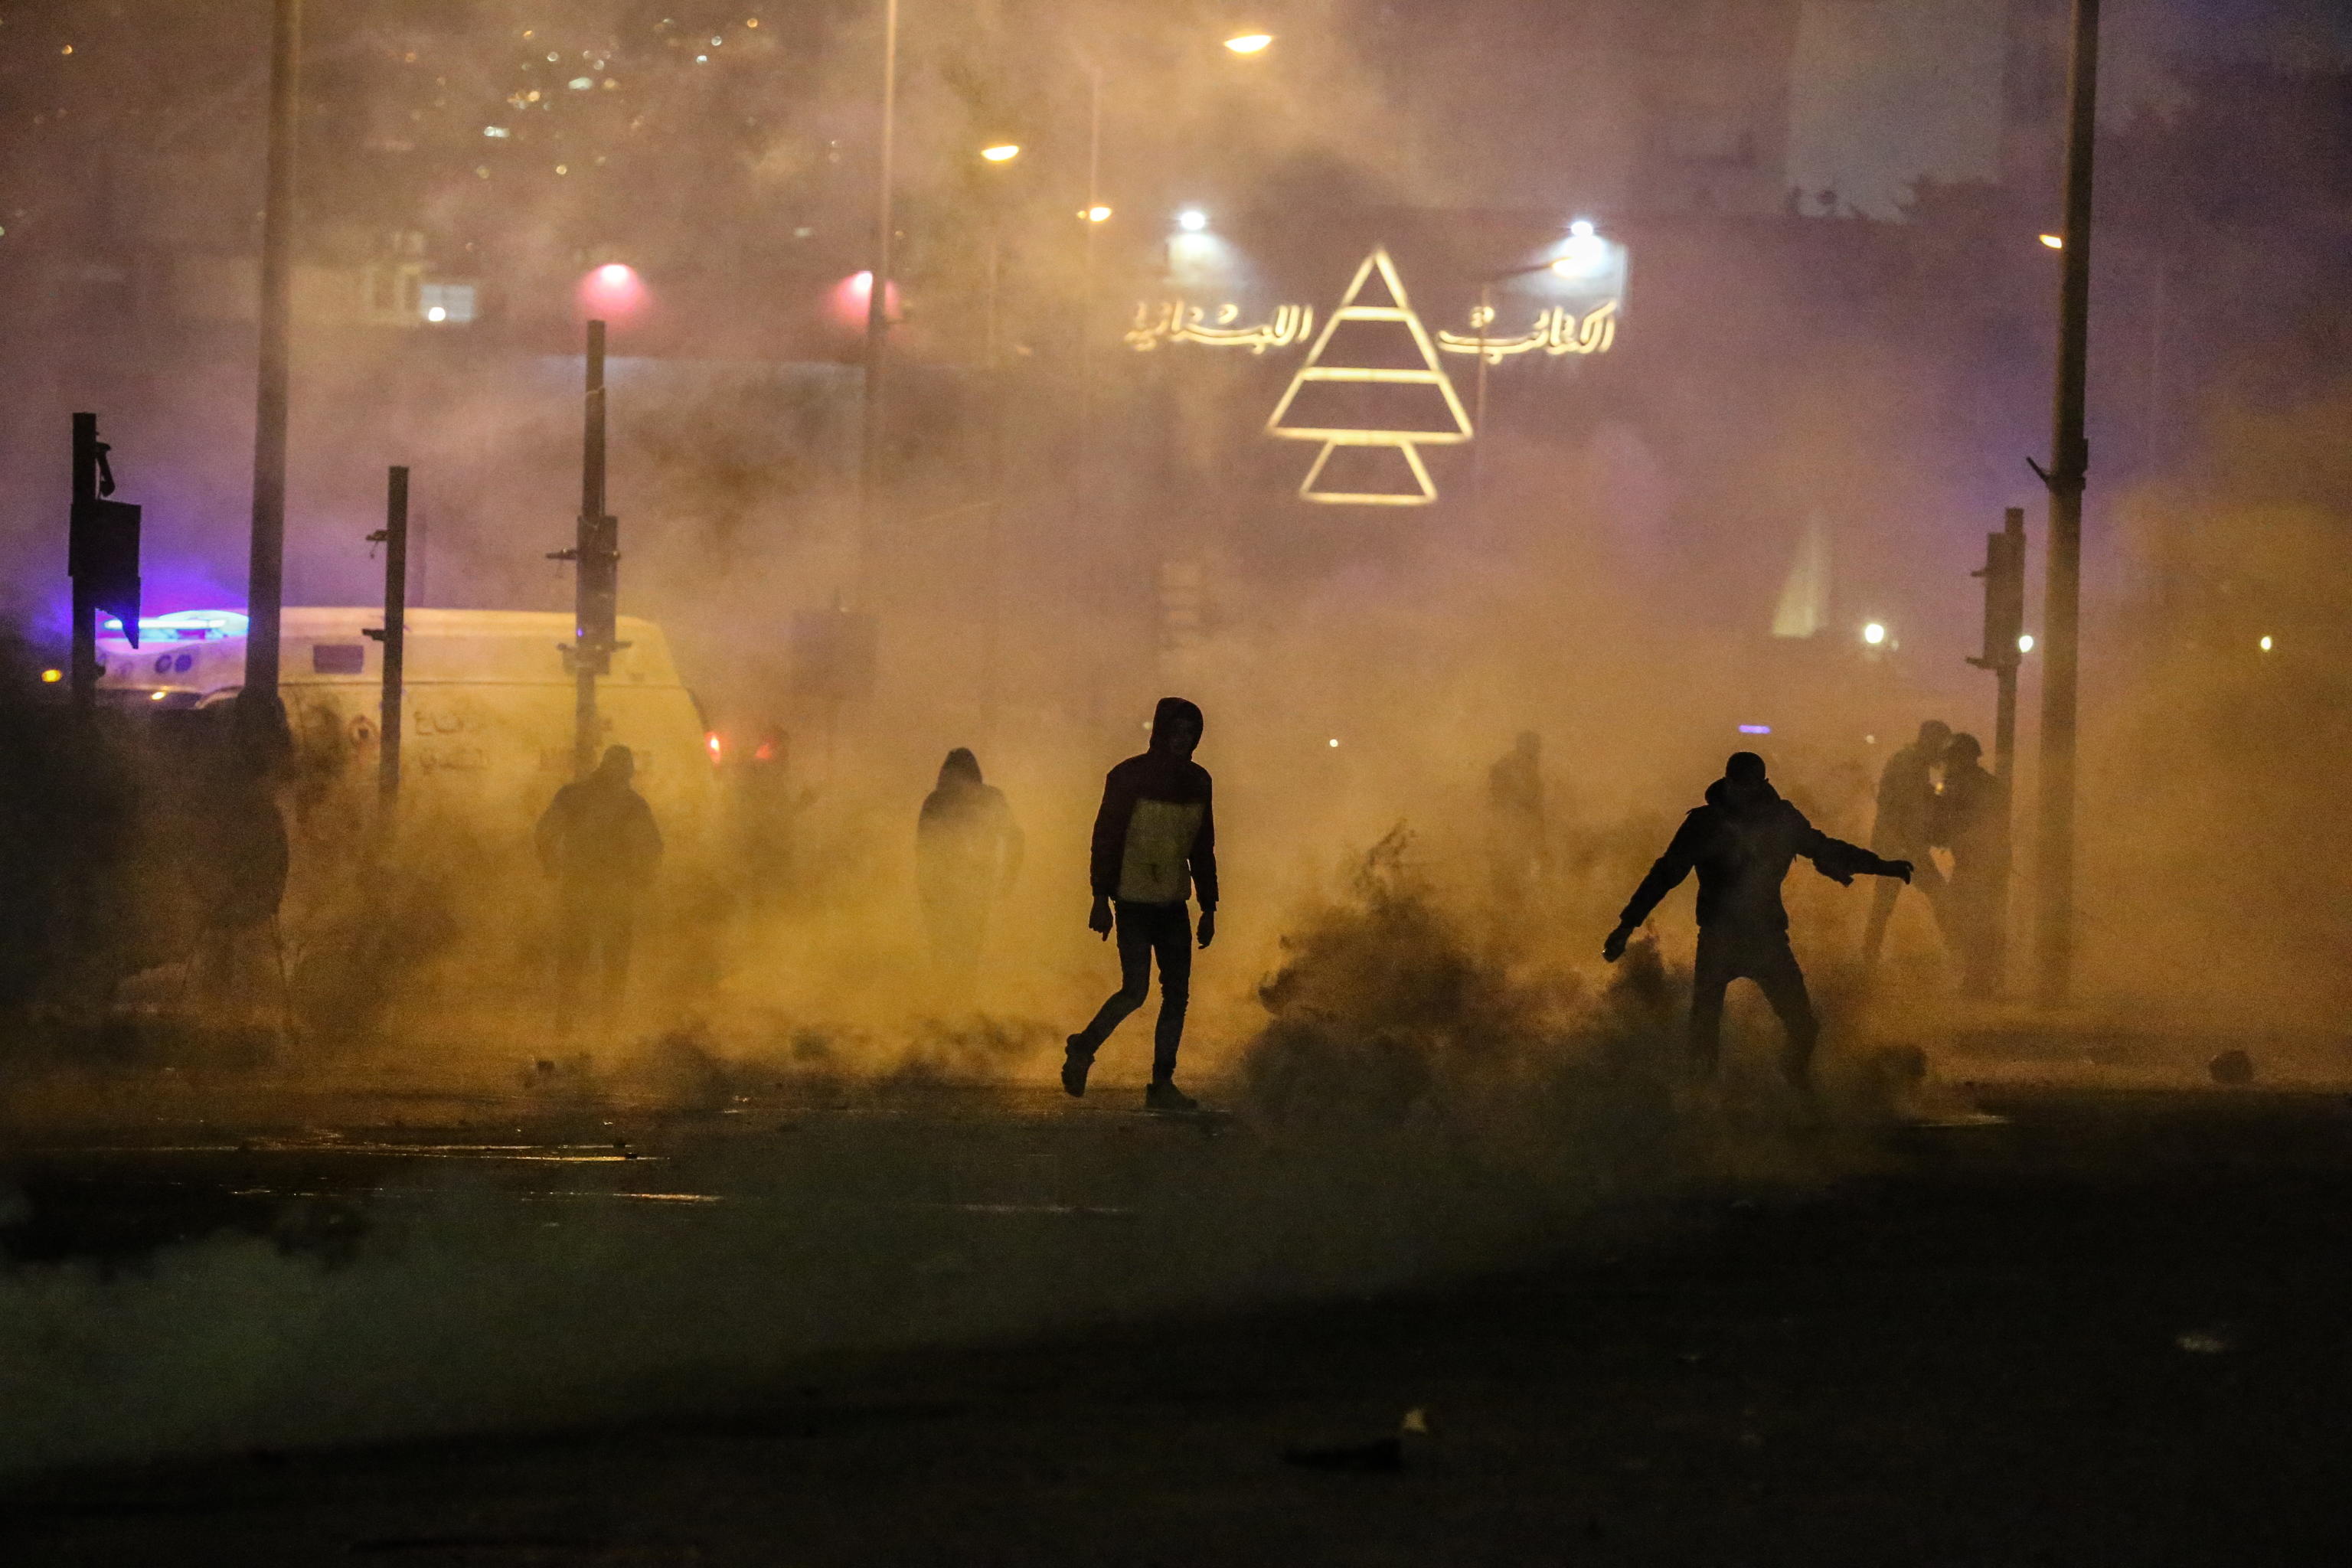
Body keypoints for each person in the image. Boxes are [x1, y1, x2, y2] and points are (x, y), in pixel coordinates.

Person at [1604, 751, 1912, 1089]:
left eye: (1752, 787)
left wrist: (1882, 866)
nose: (1745, 795)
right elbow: (1665, 875)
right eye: (1739, 786)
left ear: (1762, 785)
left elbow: (1823, 848)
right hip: (1718, 937)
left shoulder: (1781, 819)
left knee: (1803, 1025)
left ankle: (1792, 1076)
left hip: (1767, 936)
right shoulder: (1705, 824)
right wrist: (1628, 924)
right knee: (1704, 1030)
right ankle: (1701, 1103)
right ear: (1728, 783)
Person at [1063, 697, 1217, 1112]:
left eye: (1191, 733)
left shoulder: (1199, 782)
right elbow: (1106, 839)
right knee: (1135, 991)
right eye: (1177, 731)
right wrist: (1100, 898)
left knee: (1175, 995)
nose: (1183, 740)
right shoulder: (1127, 777)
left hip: (1172, 903)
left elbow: (1202, 848)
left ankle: (1161, 1083)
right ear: (1161, 732)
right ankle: (1083, 1048)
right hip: (1132, 901)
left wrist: (1209, 906)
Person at [534, 744, 663, 1039]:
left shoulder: (573, 796)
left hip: (581, 888)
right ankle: (607, 1028)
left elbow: (545, 833)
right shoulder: (631, 803)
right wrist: (644, 877)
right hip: (614, 892)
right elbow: (653, 846)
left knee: (575, 959)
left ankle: (566, 1026)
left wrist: (551, 866)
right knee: (613, 962)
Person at [915, 747, 1024, 1003]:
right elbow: (924, 850)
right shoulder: (938, 802)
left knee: (965, 949)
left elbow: (1015, 839)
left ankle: (958, 1004)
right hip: (944, 890)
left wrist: (1008, 878)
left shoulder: (986, 800)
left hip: (973, 889)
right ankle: (950, 1004)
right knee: (946, 950)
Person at [1860, 719, 1951, 967]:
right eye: (1941, 744)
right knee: (1939, 895)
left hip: (1899, 844)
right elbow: (1906, 807)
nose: (1943, 752)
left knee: (1884, 903)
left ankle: (1869, 954)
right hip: (1902, 845)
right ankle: (1958, 951)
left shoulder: (1911, 761)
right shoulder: (1910, 764)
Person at [1929, 733, 2009, 998]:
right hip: (1978, 861)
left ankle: (1979, 979)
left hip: (1982, 863)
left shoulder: (1973, 786)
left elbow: (1955, 823)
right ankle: (1981, 976)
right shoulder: (1978, 784)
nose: (1949, 765)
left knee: (1972, 918)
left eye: (1953, 759)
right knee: (1972, 917)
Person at [1485, 731, 1549, 912]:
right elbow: (1530, 807)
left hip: (1513, 838)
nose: (1537, 754)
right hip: (1511, 837)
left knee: (1512, 884)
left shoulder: (1517, 768)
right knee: (1510, 883)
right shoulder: (1514, 769)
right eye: (1535, 748)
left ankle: (1509, 917)